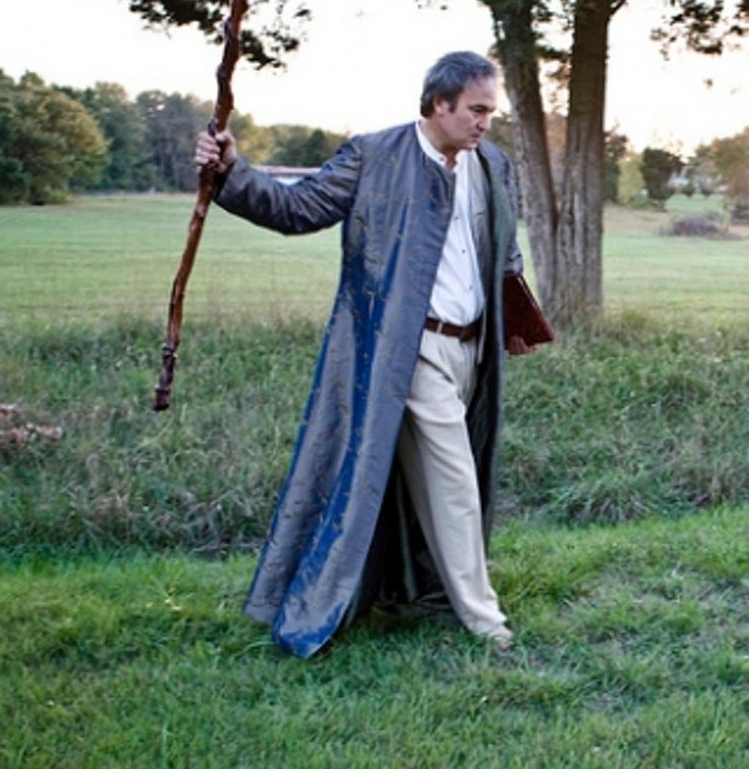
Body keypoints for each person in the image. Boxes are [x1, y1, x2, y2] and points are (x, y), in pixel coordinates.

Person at [194, 51, 532, 658]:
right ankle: (485, 620)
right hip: (405, 349)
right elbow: (297, 210)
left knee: (432, 478)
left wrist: (515, 311)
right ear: (439, 104)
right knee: (454, 479)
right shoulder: (374, 157)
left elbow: (504, 247)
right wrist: (232, 171)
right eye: (477, 111)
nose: (486, 122)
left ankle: (409, 589)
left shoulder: (493, 164)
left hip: (474, 348)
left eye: (491, 112)